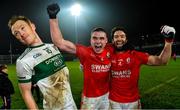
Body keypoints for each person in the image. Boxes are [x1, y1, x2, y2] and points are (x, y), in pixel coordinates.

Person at [47, 3, 112, 109]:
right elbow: (59, 43)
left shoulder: (111, 49)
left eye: (101, 38)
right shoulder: (85, 51)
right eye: (95, 38)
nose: (98, 41)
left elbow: (121, 45)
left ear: (106, 41)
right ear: (90, 40)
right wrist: (53, 18)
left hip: (107, 96)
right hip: (89, 99)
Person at [8, 15, 77, 109]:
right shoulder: (23, 61)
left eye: (22, 28)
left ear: (32, 26)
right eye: (16, 33)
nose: (21, 34)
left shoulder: (53, 47)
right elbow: (26, 93)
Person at [109, 25, 175, 109]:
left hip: (133, 102)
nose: (119, 39)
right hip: (113, 101)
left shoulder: (136, 55)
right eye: (116, 37)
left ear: (126, 40)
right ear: (112, 40)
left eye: (122, 36)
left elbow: (162, 61)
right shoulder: (107, 55)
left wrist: (168, 42)